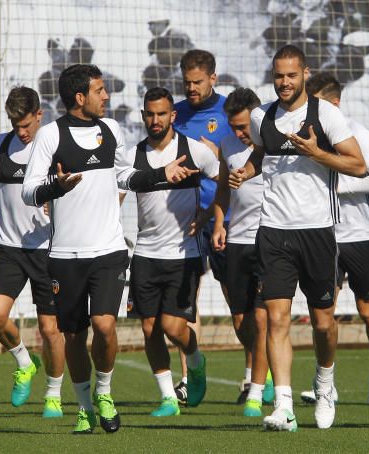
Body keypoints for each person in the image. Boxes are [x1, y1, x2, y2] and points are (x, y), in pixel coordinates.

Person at [21, 63, 199, 434]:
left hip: (109, 250)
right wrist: (57, 186)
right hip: (66, 255)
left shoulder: (110, 129)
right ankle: (84, 407)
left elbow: (123, 175)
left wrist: (159, 176)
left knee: (104, 325)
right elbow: (28, 190)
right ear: (80, 97)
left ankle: (104, 392)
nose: (107, 96)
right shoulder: (51, 135)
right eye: (100, 90)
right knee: (74, 335)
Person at [229, 44, 367, 432]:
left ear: (305, 74)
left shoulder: (326, 114)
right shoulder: (262, 116)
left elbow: (357, 165)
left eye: (291, 75)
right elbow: (260, 153)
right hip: (273, 230)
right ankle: (284, 406)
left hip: (318, 231)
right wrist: (246, 172)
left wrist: (317, 153)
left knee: (323, 323)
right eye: (278, 76)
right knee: (275, 320)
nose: (284, 83)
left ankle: (325, 385)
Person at [0, 86, 66, 418]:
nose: (21, 132)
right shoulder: (1, 144)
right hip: (10, 247)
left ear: (39, 115)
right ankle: (25, 362)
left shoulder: (54, 147)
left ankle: (53, 395)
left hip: (47, 250)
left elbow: (72, 187)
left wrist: (60, 208)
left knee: (51, 329)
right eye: (15, 125)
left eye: (26, 124)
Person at [125, 87, 216, 417]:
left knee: (173, 327)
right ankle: (167, 397)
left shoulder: (195, 151)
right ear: (143, 116)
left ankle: (195, 360)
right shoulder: (133, 155)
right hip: (146, 254)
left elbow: (223, 183)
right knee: (149, 327)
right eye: (149, 114)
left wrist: (210, 218)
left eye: (161, 114)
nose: (155, 120)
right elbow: (121, 186)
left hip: (183, 254)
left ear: (172, 116)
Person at [303, 72, 369, 406]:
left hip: (361, 238)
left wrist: (338, 187)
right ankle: (326, 382)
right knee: (323, 316)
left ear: (335, 103)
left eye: (317, 103)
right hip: (324, 237)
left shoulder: (357, 131)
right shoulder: (309, 135)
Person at [172, 49, 236, 404]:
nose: (192, 88)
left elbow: (246, 158)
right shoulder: (175, 114)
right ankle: (188, 377)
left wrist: (217, 152)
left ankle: (255, 379)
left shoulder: (229, 112)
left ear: (213, 78)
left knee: (237, 303)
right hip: (186, 221)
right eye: (187, 82)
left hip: (225, 219)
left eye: (198, 82)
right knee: (186, 304)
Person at [210, 87, 275, 417]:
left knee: (263, 319)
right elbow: (222, 190)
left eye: (242, 126)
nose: (238, 132)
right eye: (233, 126)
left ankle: (256, 389)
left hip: (269, 242)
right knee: (241, 321)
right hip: (237, 242)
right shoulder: (227, 145)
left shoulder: (274, 146)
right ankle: (264, 366)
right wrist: (220, 224)